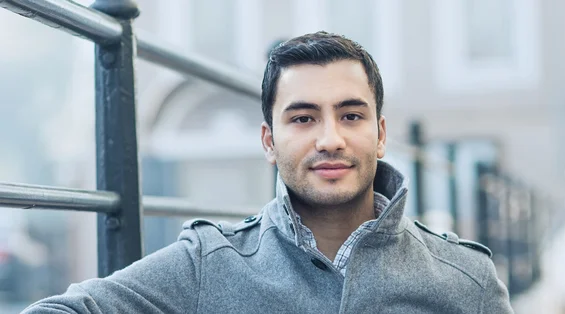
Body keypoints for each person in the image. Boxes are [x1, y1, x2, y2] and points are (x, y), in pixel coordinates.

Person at [23, 31, 513, 313]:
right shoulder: (208, 265)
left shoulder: (467, 280)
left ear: (380, 133)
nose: (329, 139)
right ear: (269, 142)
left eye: (351, 115)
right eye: (302, 118)